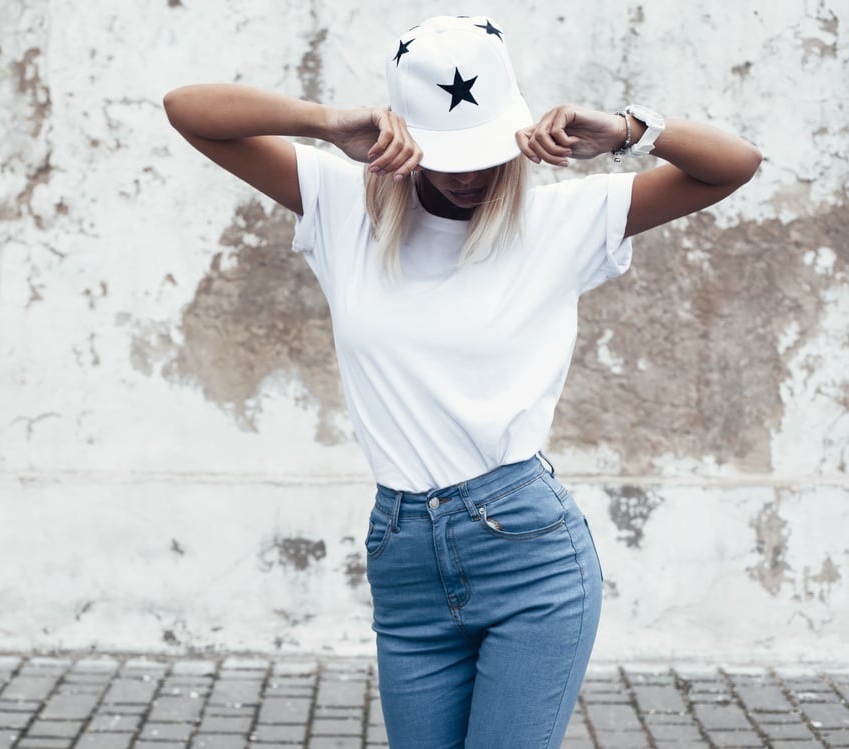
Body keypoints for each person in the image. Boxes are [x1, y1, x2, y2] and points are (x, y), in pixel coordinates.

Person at [164, 15, 761, 749]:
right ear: (404, 137)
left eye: (485, 149)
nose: (472, 173)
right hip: (404, 557)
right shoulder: (340, 204)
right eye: (449, 153)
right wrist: (325, 123)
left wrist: (629, 128)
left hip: (528, 556)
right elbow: (186, 109)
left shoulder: (558, 219)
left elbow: (735, 164)